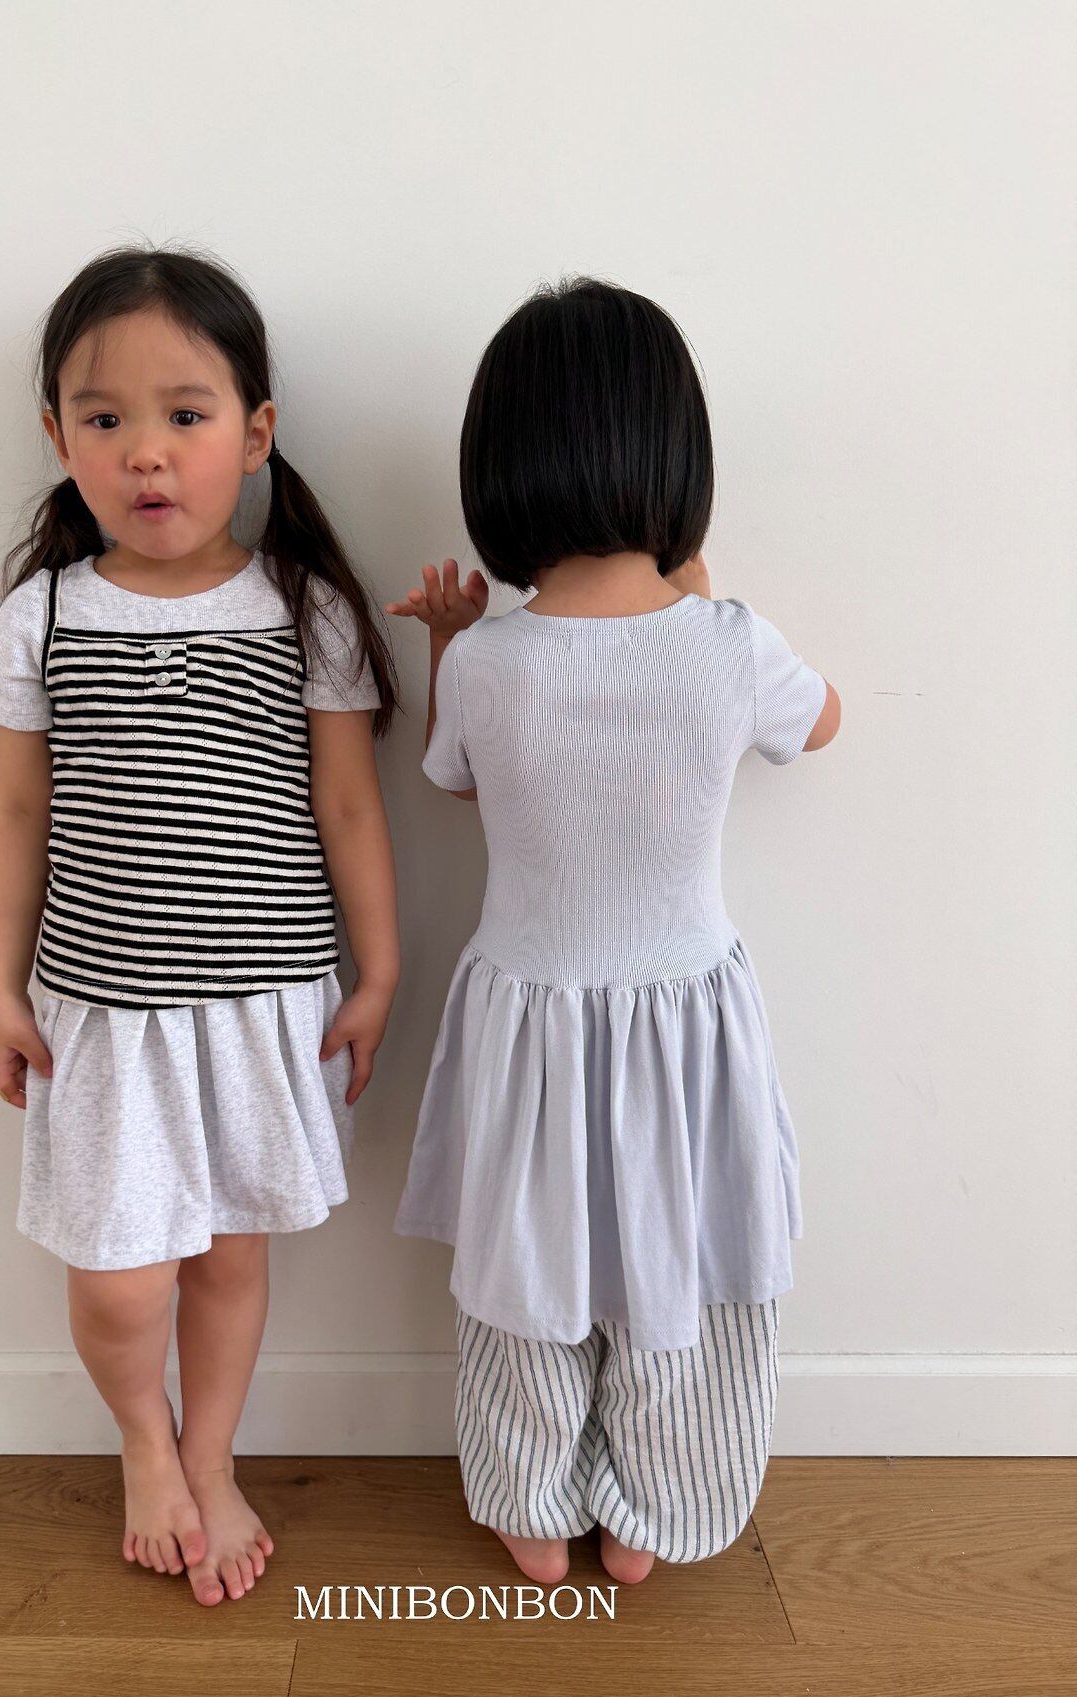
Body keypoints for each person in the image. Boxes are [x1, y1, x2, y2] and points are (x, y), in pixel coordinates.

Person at [389, 277, 841, 1587]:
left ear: (502, 472)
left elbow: (450, 776)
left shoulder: (490, 663)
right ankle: (655, 1510)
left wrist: (449, 642)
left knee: (524, 1274)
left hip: (529, 1018)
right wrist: (698, 587)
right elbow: (817, 723)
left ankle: (530, 1504)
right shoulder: (729, 644)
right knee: (678, 1270)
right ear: (676, 462)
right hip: (683, 1022)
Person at [0, 244, 401, 1608]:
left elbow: (348, 806)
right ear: (61, 440)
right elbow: (15, 814)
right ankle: (143, 1441)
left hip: (262, 1005)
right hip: (102, 1014)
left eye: (186, 414)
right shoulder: (44, 614)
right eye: (105, 418)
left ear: (255, 432)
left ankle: (208, 1458)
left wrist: (380, 968)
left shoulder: (304, 609)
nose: (146, 452)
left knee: (227, 1256)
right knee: (120, 1283)